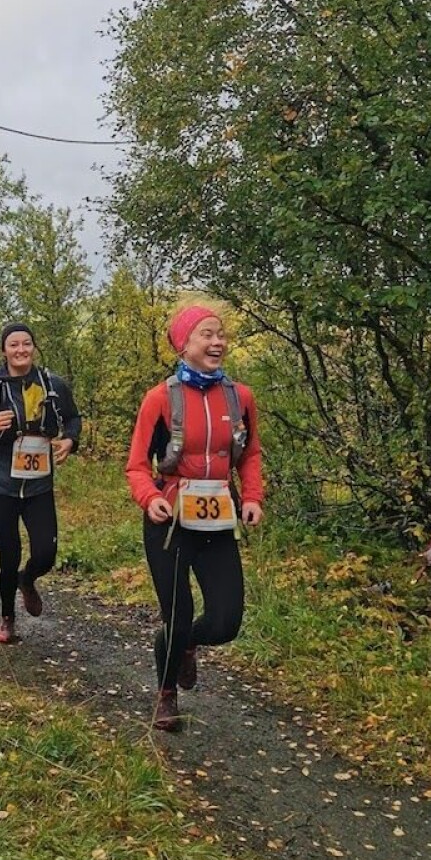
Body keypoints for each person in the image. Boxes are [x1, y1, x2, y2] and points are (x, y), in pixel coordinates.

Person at [126, 304, 264, 732]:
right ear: (184, 344)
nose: (217, 342)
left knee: (226, 621)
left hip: (218, 518)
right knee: (179, 612)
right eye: (206, 334)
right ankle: (166, 695)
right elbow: (135, 465)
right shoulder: (159, 399)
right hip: (169, 522)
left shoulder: (239, 397)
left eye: (220, 334)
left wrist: (253, 497)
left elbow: (251, 454)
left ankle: (182, 645)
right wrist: (149, 498)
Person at [0, 321, 82, 644]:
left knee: (46, 553)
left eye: (26, 343)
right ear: (3, 351)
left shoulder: (52, 385)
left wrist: (70, 440)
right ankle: (7, 619)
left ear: (34, 347)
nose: (20, 350)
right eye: (13, 345)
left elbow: (73, 419)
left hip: (38, 485)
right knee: (9, 554)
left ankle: (27, 580)